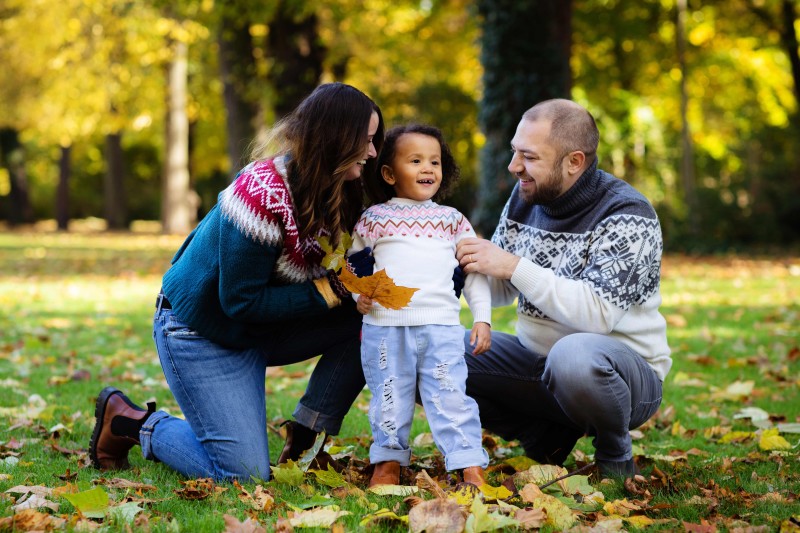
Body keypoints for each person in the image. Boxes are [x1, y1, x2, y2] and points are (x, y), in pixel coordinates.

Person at [89, 82, 385, 481]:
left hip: (263, 327)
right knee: (244, 475)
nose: (372, 152)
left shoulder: (346, 189)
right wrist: (332, 291)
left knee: (367, 318)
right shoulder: (262, 193)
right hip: (202, 332)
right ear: (335, 139)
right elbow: (241, 302)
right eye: (365, 141)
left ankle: (305, 438)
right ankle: (132, 422)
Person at [456, 99, 670, 480]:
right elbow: (502, 288)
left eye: (529, 156)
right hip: (535, 366)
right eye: (514, 152)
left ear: (574, 162)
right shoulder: (526, 196)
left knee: (572, 355)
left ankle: (614, 454)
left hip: (620, 377)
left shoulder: (627, 214)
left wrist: (513, 265)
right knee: (431, 349)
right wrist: (456, 261)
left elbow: (597, 315)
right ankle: (546, 436)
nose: (514, 166)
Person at [348, 124, 492, 487]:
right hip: (384, 328)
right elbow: (354, 265)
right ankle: (388, 462)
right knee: (389, 396)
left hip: (441, 328)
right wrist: (358, 295)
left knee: (450, 395)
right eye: (415, 161)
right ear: (389, 173)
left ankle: (468, 463)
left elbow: (473, 271)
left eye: (435, 161)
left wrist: (482, 317)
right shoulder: (373, 219)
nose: (428, 168)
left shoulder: (452, 221)